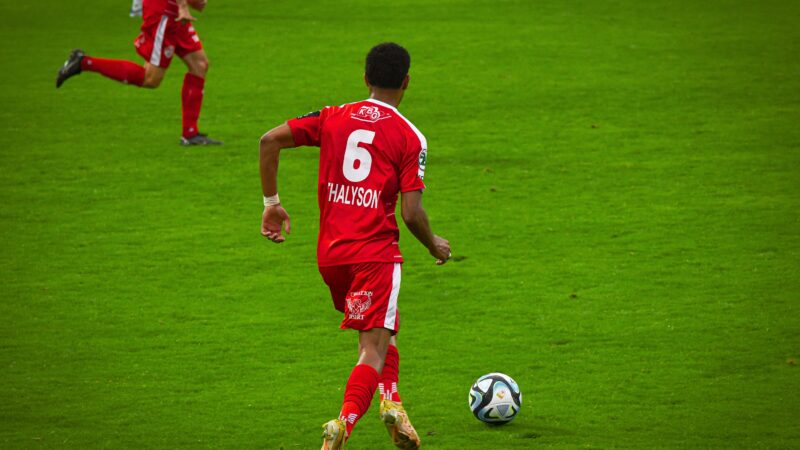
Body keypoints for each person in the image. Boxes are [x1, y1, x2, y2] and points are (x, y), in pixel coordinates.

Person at [258, 42, 451, 450]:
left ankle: (393, 404)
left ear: (365, 78)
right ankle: (342, 422)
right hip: (375, 253)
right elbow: (412, 214)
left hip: (331, 256)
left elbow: (268, 141)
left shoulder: (332, 117)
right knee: (371, 349)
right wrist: (434, 245)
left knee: (382, 326)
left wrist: (271, 205)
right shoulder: (410, 136)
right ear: (407, 83)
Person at [56, 0, 222, 146]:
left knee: (200, 64)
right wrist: (183, 6)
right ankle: (83, 63)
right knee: (150, 78)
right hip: (163, 12)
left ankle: (190, 133)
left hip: (172, 11)